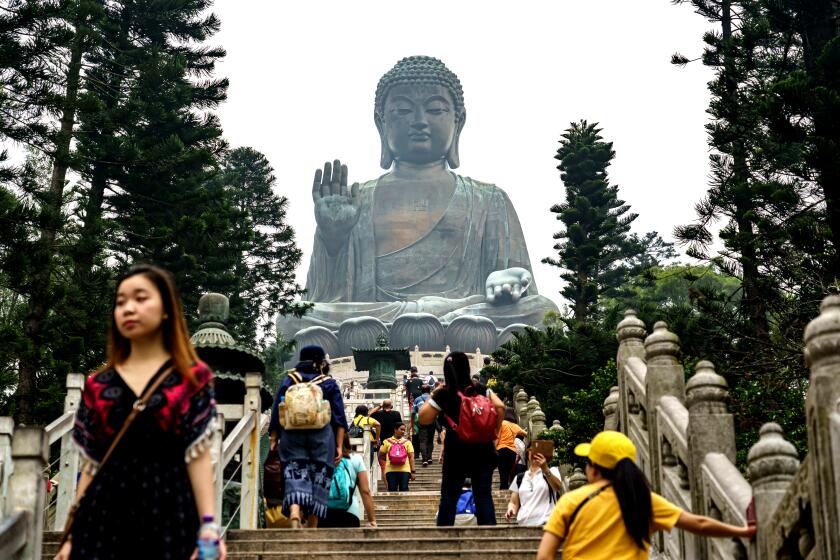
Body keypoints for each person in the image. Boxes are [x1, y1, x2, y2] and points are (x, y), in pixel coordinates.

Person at [56, 264, 224, 560]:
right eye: (120, 302)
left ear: (166, 310)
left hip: (170, 515)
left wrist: (209, 528)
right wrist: (70, 537)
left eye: (140, 298)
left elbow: (198, 458)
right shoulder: (98, 386)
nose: (128, 308)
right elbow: (92, 466)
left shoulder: (192, 380)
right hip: (102, 519)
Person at [537, 431, 756, 560]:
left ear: (594, 468)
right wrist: (743, 531)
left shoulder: (571, 500)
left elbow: (545, 556)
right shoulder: (642, 499)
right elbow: (699, 524)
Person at [418, 352, 506, 526]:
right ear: (467, 367)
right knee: (483, 496)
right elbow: (500, 407)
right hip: (483, 450)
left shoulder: (445, 393)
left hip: (456, 451)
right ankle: (491, 538)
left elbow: (423, 418)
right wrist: (492, 433)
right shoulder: (479, 388)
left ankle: (444, 540)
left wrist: (433, 394)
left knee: (449, 496)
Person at [269, 345, 348, 529]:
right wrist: (339, 446)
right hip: (322, 435)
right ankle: (312, 526)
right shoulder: (328, 382)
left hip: (291, 434)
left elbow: (276, 411)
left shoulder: (290, 380)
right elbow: (339, 418)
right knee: (320, 476)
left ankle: (295, 512)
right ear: (320, 362)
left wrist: (274, 437)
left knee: (294, 471)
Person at [320, 433, 377, 528]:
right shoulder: (356, 458)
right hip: (350, 514)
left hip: (321, 513)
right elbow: (365, 491)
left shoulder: (318, 458)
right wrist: (372, 520)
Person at [505, 448, 564, 527]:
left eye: (537, 450)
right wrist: (511, 508)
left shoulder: (552, 471)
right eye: (531, 450)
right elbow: (513, 502)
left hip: (547, 524)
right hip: (524, 525)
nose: (534, 453)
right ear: (527, 453)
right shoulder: (519, 477)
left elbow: (558, 486)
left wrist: (545, 468)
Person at [378, 423, 416, 491]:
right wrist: (390, 459)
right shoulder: (386, 442)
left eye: (404, 430)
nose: (403, 431)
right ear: (395, 429)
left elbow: (411, 457)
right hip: (391, 470)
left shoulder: (408, 442)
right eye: (401, 429)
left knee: (404, 489)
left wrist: (413, 471)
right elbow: (380, 455)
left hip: (405, 470)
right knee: (392, 490)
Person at [497, 407, 527, 489]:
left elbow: (498, 437)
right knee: (507, 471)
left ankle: (503, 489)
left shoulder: (502, 423)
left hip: (502, 450)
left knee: (502, 471)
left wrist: (495, 448)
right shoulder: (515, 426)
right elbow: (526, 434)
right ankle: (505, 488)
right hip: (512, 452)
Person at [371, 400, 402, 478]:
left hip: (383, 443)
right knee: (396, 463)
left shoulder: (378, 414)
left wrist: (379, 406)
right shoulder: (396, 414)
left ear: (383, 405)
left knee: (384, 466)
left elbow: (370, 414)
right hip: (395, 442)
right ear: (391, 406)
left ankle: (388, 485)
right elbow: (400, 426)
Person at [412, 386, 436, 466]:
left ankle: (424, 459)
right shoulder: (434, 398)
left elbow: (413, 413)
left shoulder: (417, 399)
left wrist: (412, 426)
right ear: (429, 390)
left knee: (423, 440)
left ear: (421, 391)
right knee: (430, 440)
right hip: (432, 421)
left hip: (421, 421)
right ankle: (429, 458)